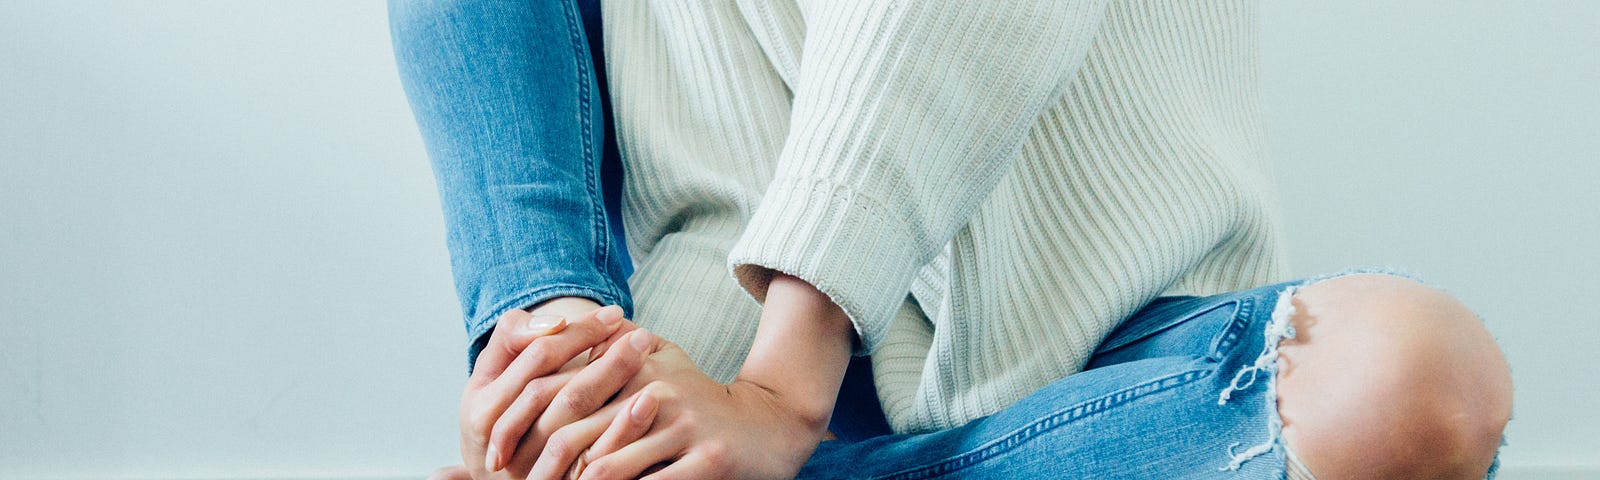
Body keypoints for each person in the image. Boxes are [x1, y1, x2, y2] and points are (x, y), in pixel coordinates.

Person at [389, 0, 1513, 478]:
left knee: (1413, 379)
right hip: (701, 379)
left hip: (1109, 353)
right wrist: (564, 369)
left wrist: (784, 392)